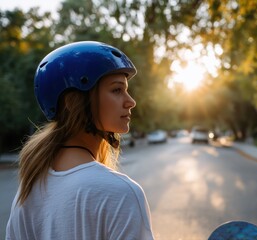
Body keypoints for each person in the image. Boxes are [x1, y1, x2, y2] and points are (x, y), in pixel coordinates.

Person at [6, 41, 154, 240]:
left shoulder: (27, 192)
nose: (131, 101)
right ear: (74, 102)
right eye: (117, 90)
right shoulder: (122, 193)